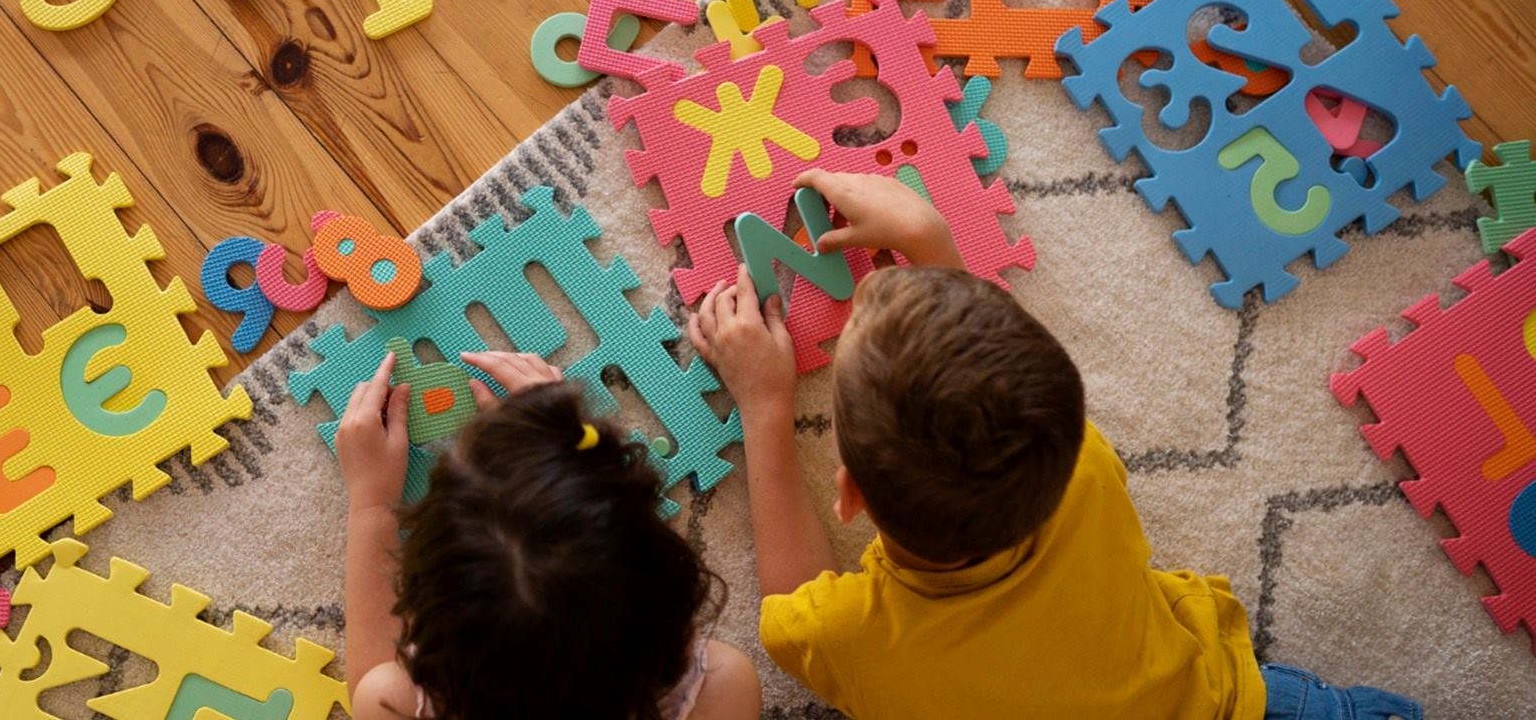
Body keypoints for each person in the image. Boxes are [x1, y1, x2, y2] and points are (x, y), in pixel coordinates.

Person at [686, 169, 1424, 720]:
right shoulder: (1083, 471)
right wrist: (933, 240)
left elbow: (788, 608)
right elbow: (1006, 378)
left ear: (849, 494)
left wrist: (766, 404)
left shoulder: (855, 634)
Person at [335, 350, 762, 719]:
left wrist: (371, 503)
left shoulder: (405, 703)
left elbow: (372, 685)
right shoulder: (722, 692)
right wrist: (559, 440)